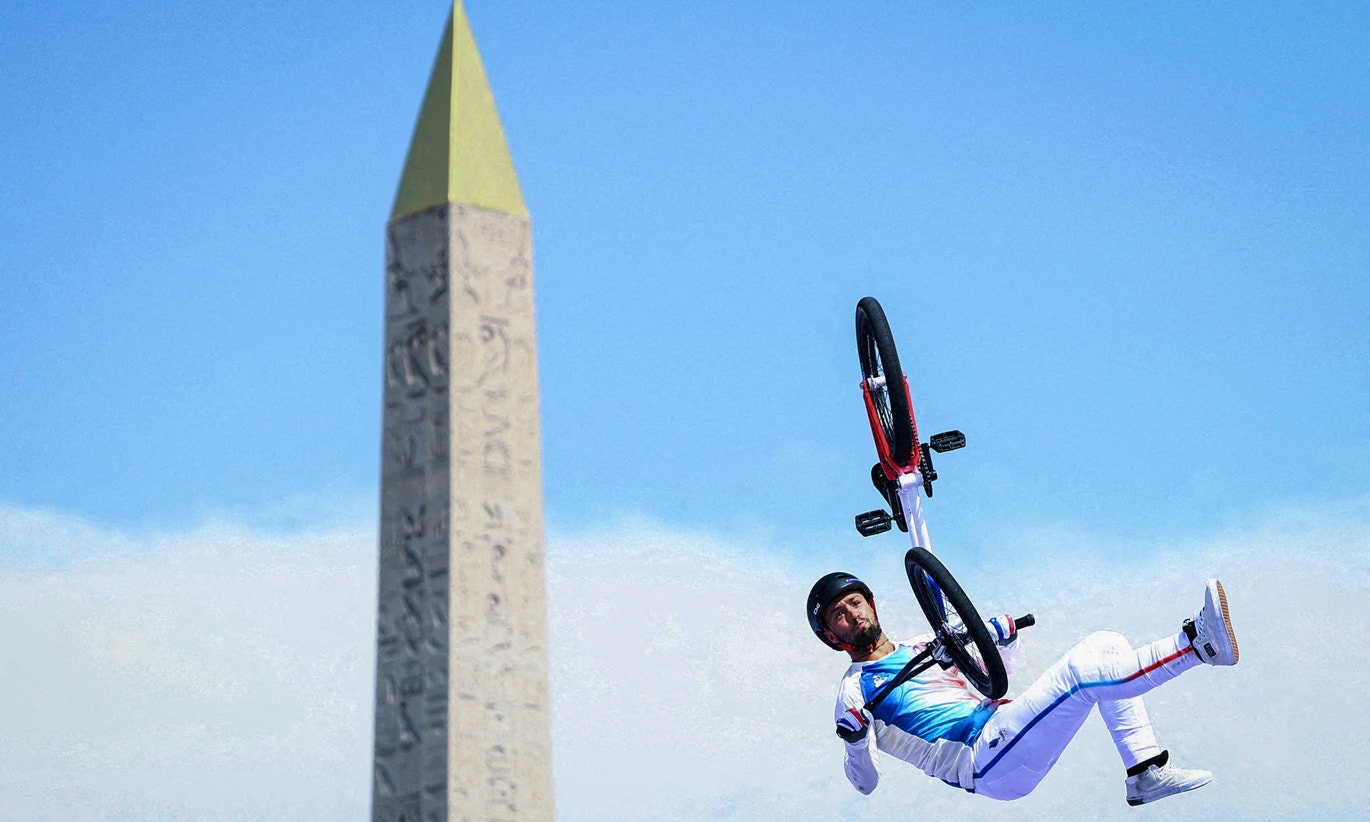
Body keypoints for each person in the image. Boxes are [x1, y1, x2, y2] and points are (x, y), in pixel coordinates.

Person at [807, 572, 1239, 806]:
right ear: (832, 635)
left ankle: (1145, 771)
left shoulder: (923, 645)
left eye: (855, 602)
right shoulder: (855, 692)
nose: (852, 614)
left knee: (1105, 643)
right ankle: (1197, 645)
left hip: (1003, 729)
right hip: (983, 763)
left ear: (871, 604)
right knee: (1080, 675)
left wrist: (1002, 639)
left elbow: (993, 679)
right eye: (839, 615)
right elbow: (864, 784)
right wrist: (856, 741)